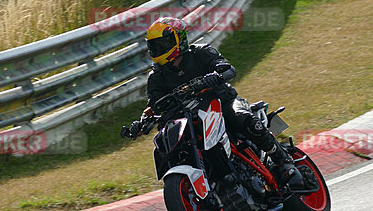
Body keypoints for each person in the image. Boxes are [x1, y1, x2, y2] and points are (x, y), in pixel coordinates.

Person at [122, 16, 303, 189]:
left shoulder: (201, 52)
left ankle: (284, 161)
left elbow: (227, 69)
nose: (159, 49)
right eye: (154, 46)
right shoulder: (157, 76)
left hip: (221, 104)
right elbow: (155, 103)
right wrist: (143, 122)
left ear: (179, 40)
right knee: (170, 146)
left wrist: (213, 77)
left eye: (163, 44)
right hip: (188, 118)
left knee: (241, 118)